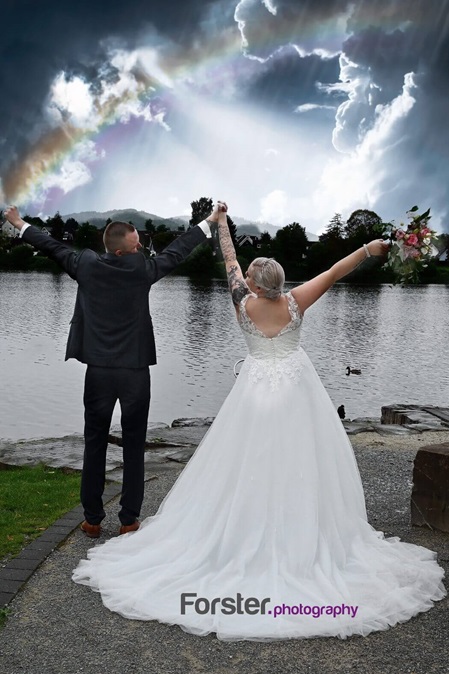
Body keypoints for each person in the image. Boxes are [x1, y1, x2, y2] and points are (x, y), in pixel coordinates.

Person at [72, 202, 445, 641]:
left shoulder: (242, 303)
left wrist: (222, 222)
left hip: (253, 392)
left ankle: (239, 534)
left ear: (252, 282)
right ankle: (301, 535)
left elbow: (228, 258)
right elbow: (336, 270)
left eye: (247, 273)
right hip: (296, 392)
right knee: (302, 463)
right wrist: (372, 247)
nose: (241, 274)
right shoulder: (296, 299)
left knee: (241, 464)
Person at [4, 205, 214, 537]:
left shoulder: (85, 265)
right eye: (136, 245)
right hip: (135, 374)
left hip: (99, 373)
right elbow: (177, 252)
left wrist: (18, 223)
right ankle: (129, 520)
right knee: (133, 446)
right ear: (120, 249)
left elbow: (50, 245)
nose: (141, 248)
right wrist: (208, 224)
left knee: (95, 443)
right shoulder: (142, 271)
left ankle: (92, 519)